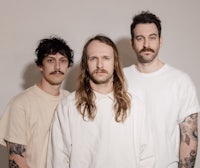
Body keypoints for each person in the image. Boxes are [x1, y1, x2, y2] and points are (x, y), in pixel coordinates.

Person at [46, 35, 155, 168]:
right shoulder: (68, 107)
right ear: (86, 64)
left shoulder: (135, 106)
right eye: (93, 59)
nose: (99, 65)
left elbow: (147, 158)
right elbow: (58, 160)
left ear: (114, 63)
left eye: (106, 58)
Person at [123, 11, 200, 168]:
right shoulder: (119, 79)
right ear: (132, 43)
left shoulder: (180, 81)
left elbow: (190, 139)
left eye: (152, 37)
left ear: (160, 40)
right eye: (140, 38)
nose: (146, 45)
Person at [0, 36, 74, 168]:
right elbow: (16, 162)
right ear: (40, 65)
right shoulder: (20, 103)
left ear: (68, 66)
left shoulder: (72, 101)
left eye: (63, 61)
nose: (57, 66)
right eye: (51, 60)